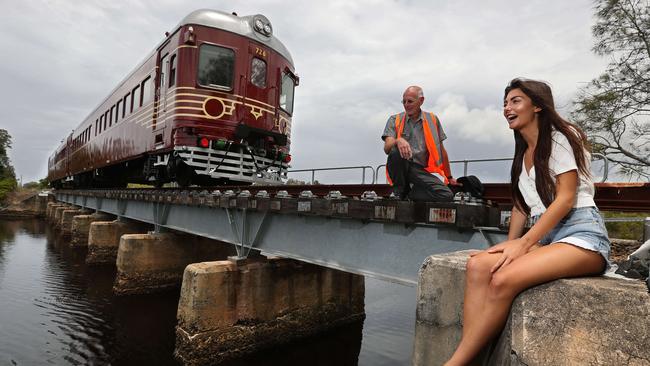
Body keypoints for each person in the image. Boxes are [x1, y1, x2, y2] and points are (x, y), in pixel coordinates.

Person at [445, 78, 611, 365]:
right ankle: (471, 356)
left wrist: (523, 243)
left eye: (515, 101)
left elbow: (565, 198)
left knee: (503, 280)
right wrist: (509, 246)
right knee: (478, 265)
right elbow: (521, 206)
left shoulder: (559, 135)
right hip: (545, 236)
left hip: (581, 234)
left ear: (537, 106)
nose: (507, 108)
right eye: (505, 103)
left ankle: (456, 363)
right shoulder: (523, 152)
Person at [381, 86, 455, 201]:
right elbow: (387, 147)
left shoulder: (433, 120)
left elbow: (442, 151)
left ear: (421, 101)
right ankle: (399, 191)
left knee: (446, 195)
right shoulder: (394, 120)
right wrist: (398, 140)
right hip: (400, 166)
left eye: (410, 101)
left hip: (419, 171)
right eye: (404, 101)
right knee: (395, 151)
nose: (406, 105)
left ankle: (409, 194)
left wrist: (449, 177)